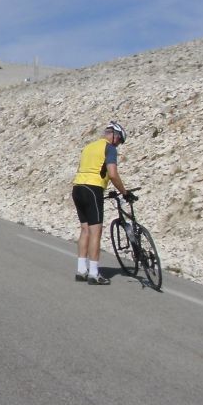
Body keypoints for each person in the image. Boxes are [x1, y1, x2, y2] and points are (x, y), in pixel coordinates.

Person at [71, 121, 133, 285]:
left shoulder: (88, 147)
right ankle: (94, 273)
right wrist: (124, 192)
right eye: (119, 141)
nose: (118, 145)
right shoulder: (109, 148)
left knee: (85, 230)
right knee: (95, 232)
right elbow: (112, 174)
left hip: (77, 188)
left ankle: (81, 270)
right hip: (93, 189)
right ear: (115, 136)